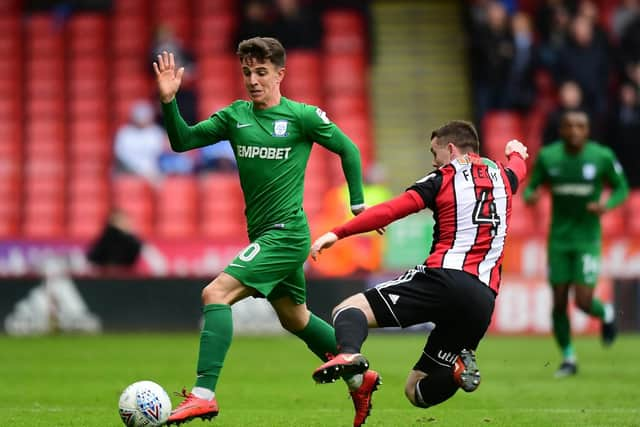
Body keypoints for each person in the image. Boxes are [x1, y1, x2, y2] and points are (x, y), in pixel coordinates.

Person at [153, 37, 370, 425]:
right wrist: (170, 102)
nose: (253, 80)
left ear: (280, 74)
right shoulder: (235, 117)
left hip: (287, 233)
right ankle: (359, 376)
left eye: (261, 72)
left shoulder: (302, 117)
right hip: (264, 234)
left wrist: (357, 204)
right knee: (295, 318)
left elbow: (349, 149)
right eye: (247, 72)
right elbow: (182, 141)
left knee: (215, 293)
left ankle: (203, 394)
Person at [309, 121, 528, 417]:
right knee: (417, 391)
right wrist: (517, 152)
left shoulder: (442, 178)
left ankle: (349, 354)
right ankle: (456, 371)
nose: (433, 160)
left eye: (434, 152)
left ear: (450, 149)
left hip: (444, 279)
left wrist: (338, 233)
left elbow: (393, 209)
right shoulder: (505, 177)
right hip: (483, 299)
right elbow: (519, 168)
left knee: (348, 310)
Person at [524, 109, 629, 378]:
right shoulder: (549, 157)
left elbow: (621, 187)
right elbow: (531, 187)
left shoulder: (601, 156)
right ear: (561, 130)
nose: (574, 131)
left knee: (582, 301)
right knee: (559, 301)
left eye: (580, 126)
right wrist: (531, 195)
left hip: (587, 239)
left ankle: (604, 312)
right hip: (558, 240)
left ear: (588, 130)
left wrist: (606, 204)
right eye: (569, 126)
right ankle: (569, 357)